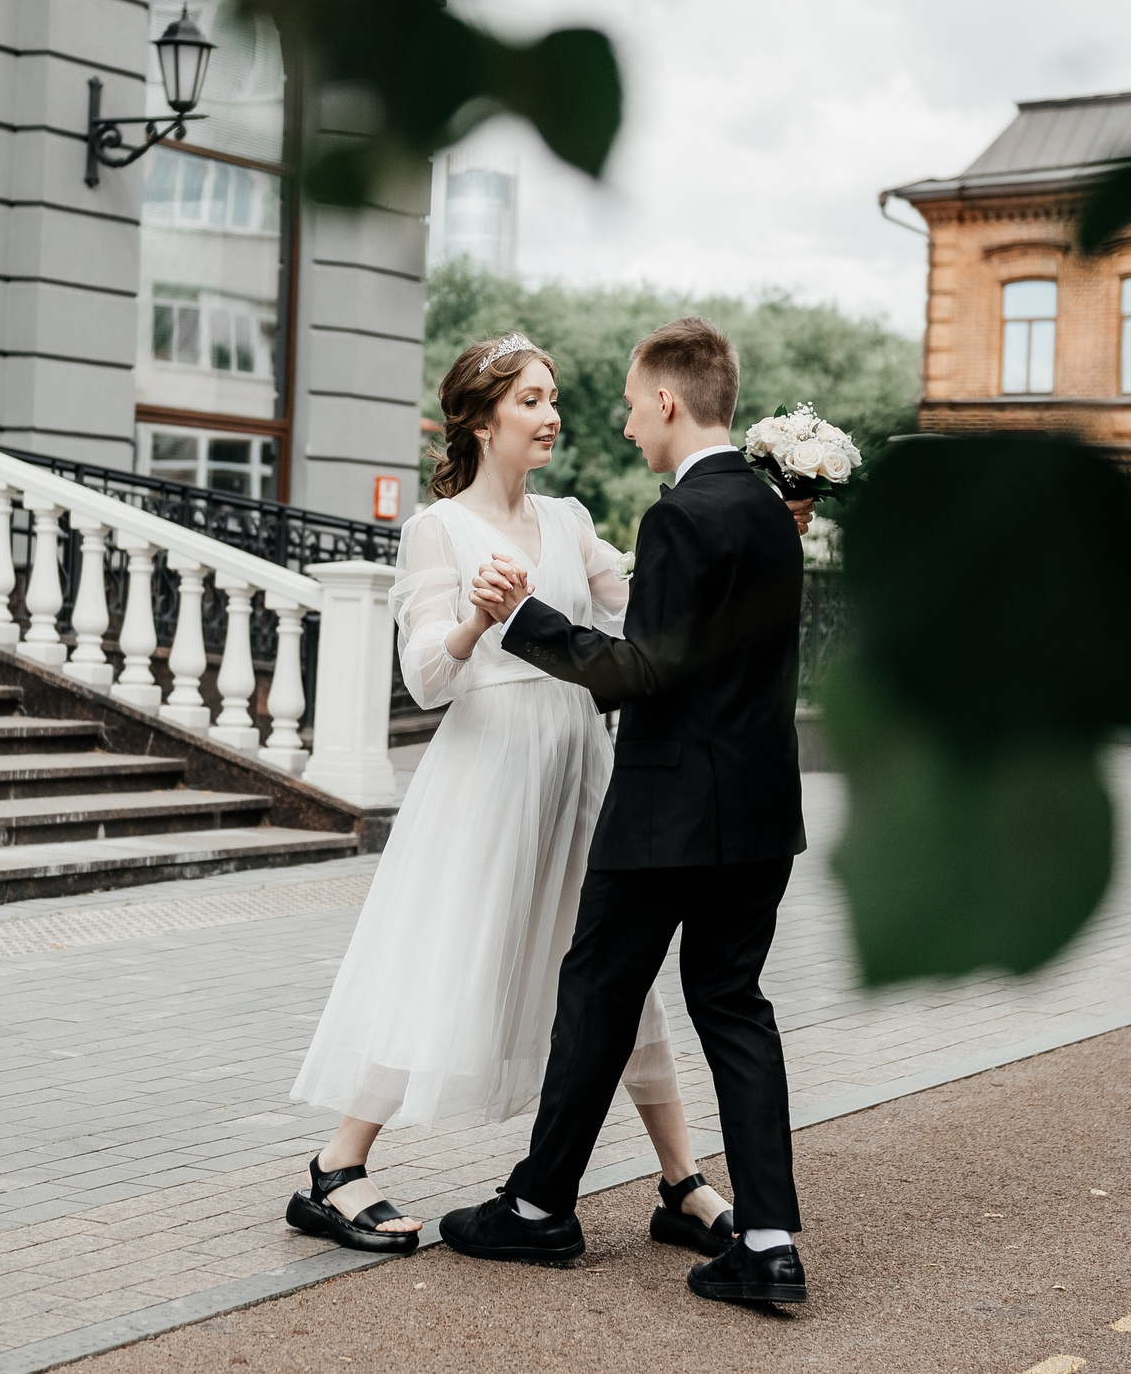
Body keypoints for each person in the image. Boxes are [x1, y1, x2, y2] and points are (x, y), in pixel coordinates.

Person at [283, 332, 740, 1263]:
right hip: (487, 775)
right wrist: (476, 619)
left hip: (580, 768)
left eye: (554, 396)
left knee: (620, 970)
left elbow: (642, 605)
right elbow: (425, 677)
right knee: (447, 953)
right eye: (531, 398)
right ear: (483, 420)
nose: (552, 414)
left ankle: (681, 1180)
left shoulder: (569, 520)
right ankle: (336, 1167)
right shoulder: (438, 529)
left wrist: (745, 539)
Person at [440, 316, 812, 1308]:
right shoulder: (774, 510)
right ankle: (767, 1241)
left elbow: (642, 671)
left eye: (631, 403)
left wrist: (522, 620)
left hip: (666, 811)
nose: (623, 421)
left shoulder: (679, 515)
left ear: (668, 400)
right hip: (762, 810)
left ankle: (536, 1207)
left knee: (597, 994)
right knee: (734, 1005)